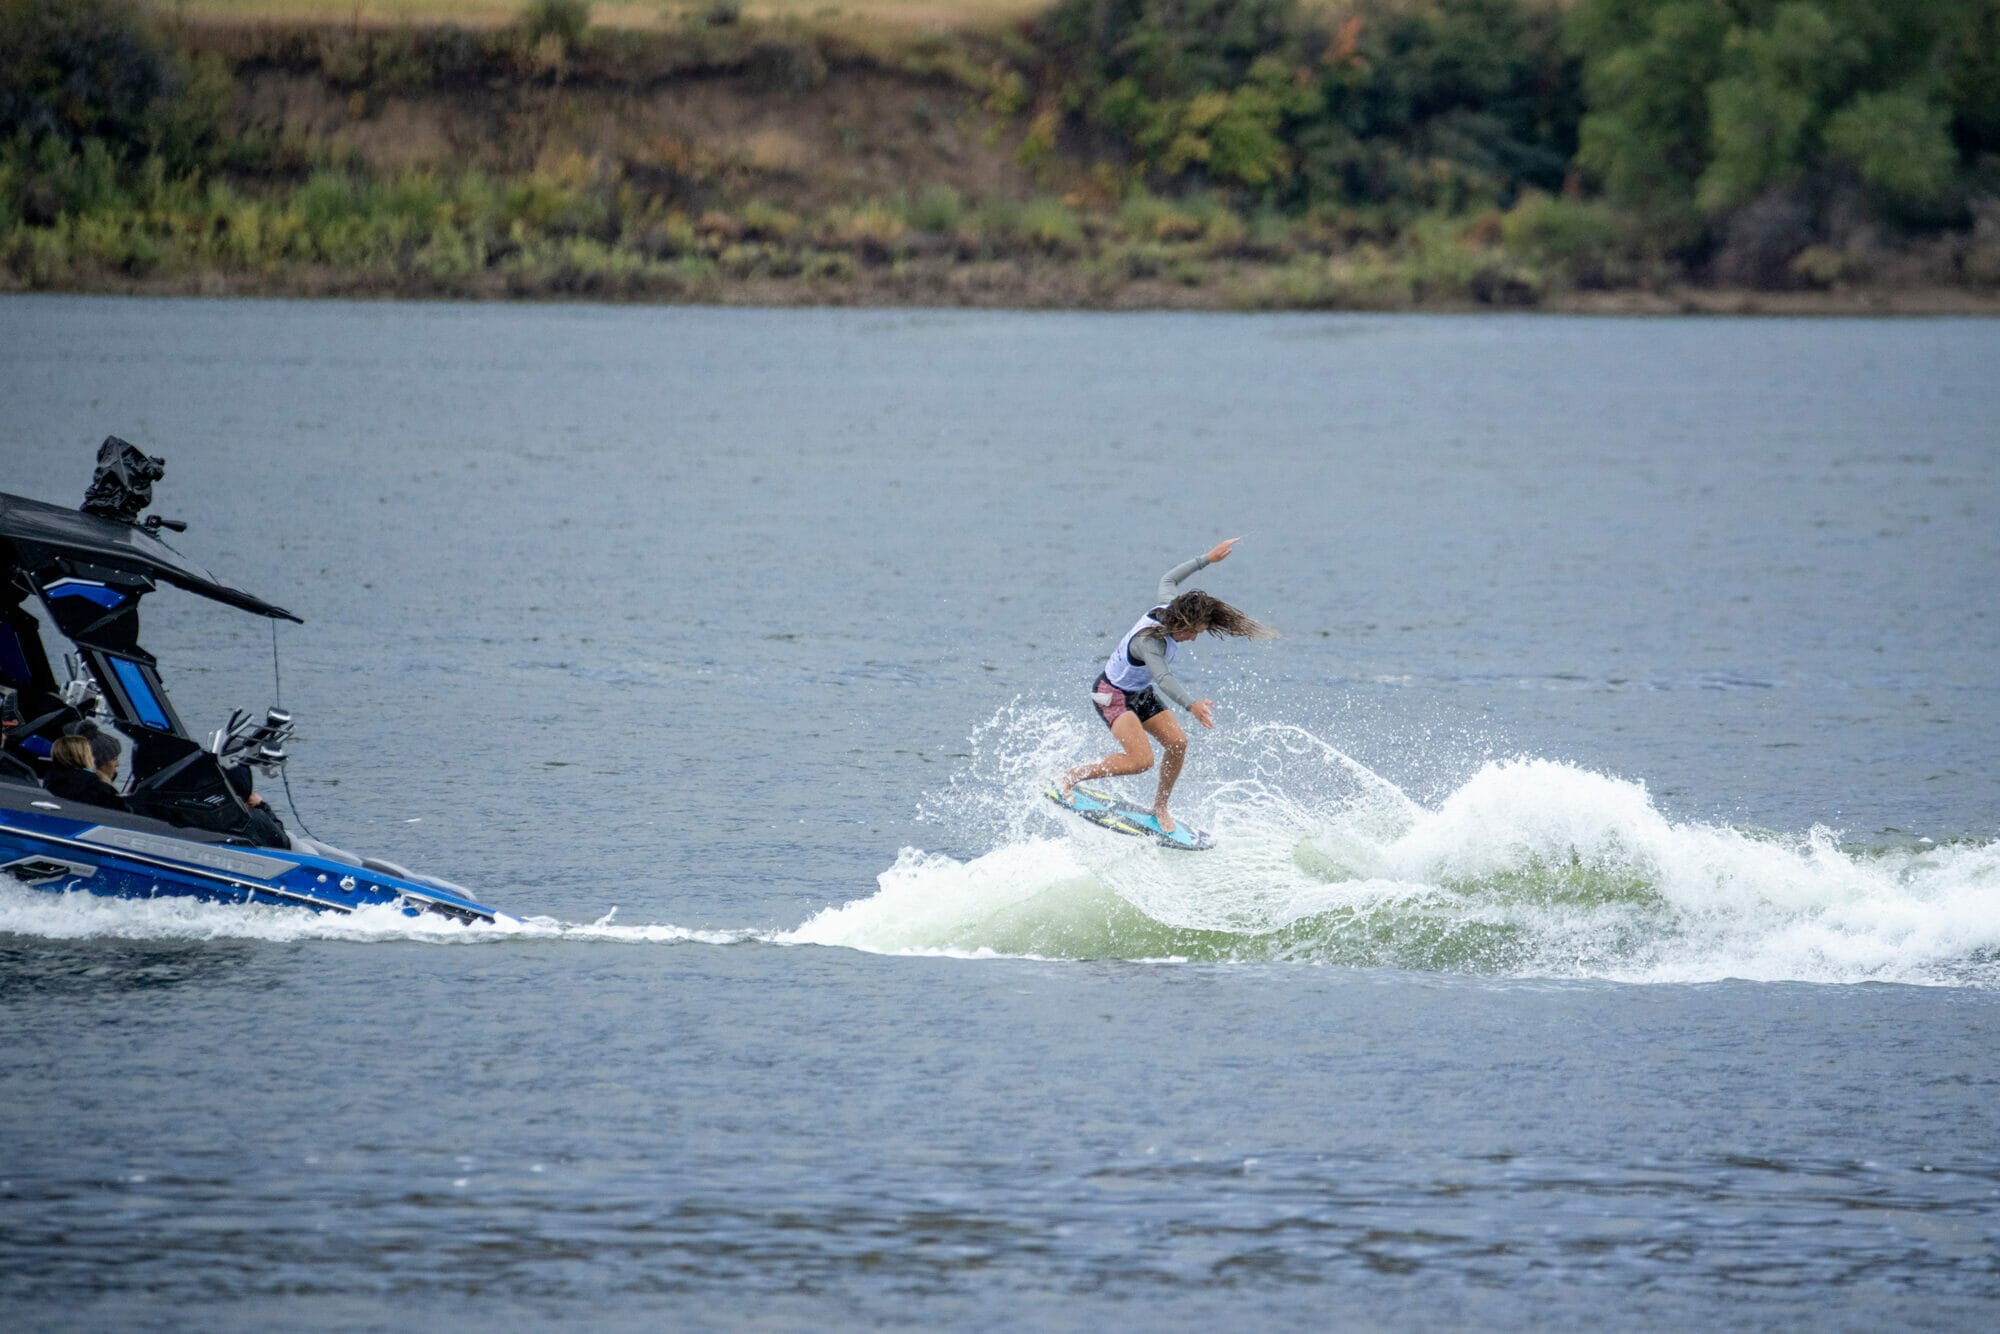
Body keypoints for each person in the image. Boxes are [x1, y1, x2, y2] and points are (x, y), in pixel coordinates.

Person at [1059, 537, 1275, 833]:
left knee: (1178, 743)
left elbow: (1169, 578)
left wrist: (1208, 559)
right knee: (1140, 761)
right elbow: (1163, 678)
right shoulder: (1149, 643)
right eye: (1194, 632)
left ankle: (1160, 806)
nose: (1195, 638)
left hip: (1138, 692)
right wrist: (1192, 705)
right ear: (1181, 625)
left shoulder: (1169, 606)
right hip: (1112, 696)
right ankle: (1071, 776)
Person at [45, 733, 130, 813]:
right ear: (82, 756)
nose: (93, 758)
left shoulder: (50, 782)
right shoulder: (95, 787)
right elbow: (125, 815)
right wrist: (105, 785)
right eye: (89, 753)